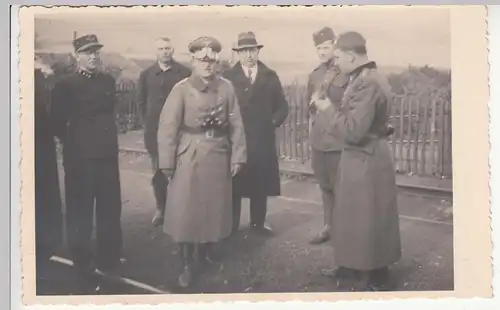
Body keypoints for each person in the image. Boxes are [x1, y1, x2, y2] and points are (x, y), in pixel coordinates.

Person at [312, 31, 402, 291]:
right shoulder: (362, 77)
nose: (335, 62)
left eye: (338, 56)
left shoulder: (367, 83)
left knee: (369, 216)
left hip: (366, 158)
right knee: (351, 214)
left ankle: (374, 274)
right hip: (359, 157)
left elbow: (353, 130)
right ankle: (351, 265)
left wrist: (326, 108)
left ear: (351, 56)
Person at [157, 36, 246, 288]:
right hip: (190, 154)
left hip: (219, 153)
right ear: (193, 61)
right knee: (187, 210)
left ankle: (205, 255)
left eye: (211, 60)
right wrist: (167, 162)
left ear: (217, 62)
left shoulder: (227, 87)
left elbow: (237, 123)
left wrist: (238, 155)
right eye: (201, 60)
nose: (207, 65)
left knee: (213, 209)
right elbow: (167, 127)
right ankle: (186, 262)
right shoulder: (181, 89)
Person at [50, 34, 123, 291]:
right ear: (76, 56)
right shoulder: (65, 85)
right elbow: (57, 122)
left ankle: (109, 257)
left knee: (109, 208)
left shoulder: (107, 80)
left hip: (106, 155)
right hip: (79, 158)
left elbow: (108, 112)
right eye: (87, 52)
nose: (93, 56)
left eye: (96, 52)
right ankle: (81, 259)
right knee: (80, 210)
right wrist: (76, 141)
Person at [223, 31, 289, 235]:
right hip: (237, 138)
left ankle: (257, 223)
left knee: (259, 183)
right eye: (243, 51)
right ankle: (230, 225)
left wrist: (272, 122)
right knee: (235, 183)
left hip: (262, 139)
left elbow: (282, 106)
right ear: (238, 54)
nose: (248, 55)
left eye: (251, 50)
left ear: (257, 52)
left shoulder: (270, 76)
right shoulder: (228, 78)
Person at [136, 37, 191, 226]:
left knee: (182, 172)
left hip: (180, 132)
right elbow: (141, 102)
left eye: (168, 48)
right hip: (155, 134)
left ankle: (180, 210)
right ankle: (161, 208)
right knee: (158, 172)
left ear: (173, 50)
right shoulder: (146, 75)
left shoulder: (184, 73)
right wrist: (149, 124)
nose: (165, 52)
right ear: (156, 51)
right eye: (161, 48)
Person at [306, 27, 350, 245]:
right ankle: (329, 226)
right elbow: (310, 106)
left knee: (340, 187)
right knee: (324, 186)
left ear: (335, 45)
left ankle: (344, 230)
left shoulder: (346, 73)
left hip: (338, 140)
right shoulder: (315, 74)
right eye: (318, 48)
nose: (322, 52)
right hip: (319, 140)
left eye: (326, 47)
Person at [34, 59, 63, 286]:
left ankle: (42, 254)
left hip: (39, 144)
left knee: (42, 199)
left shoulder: (39, 75)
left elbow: (48, 113)